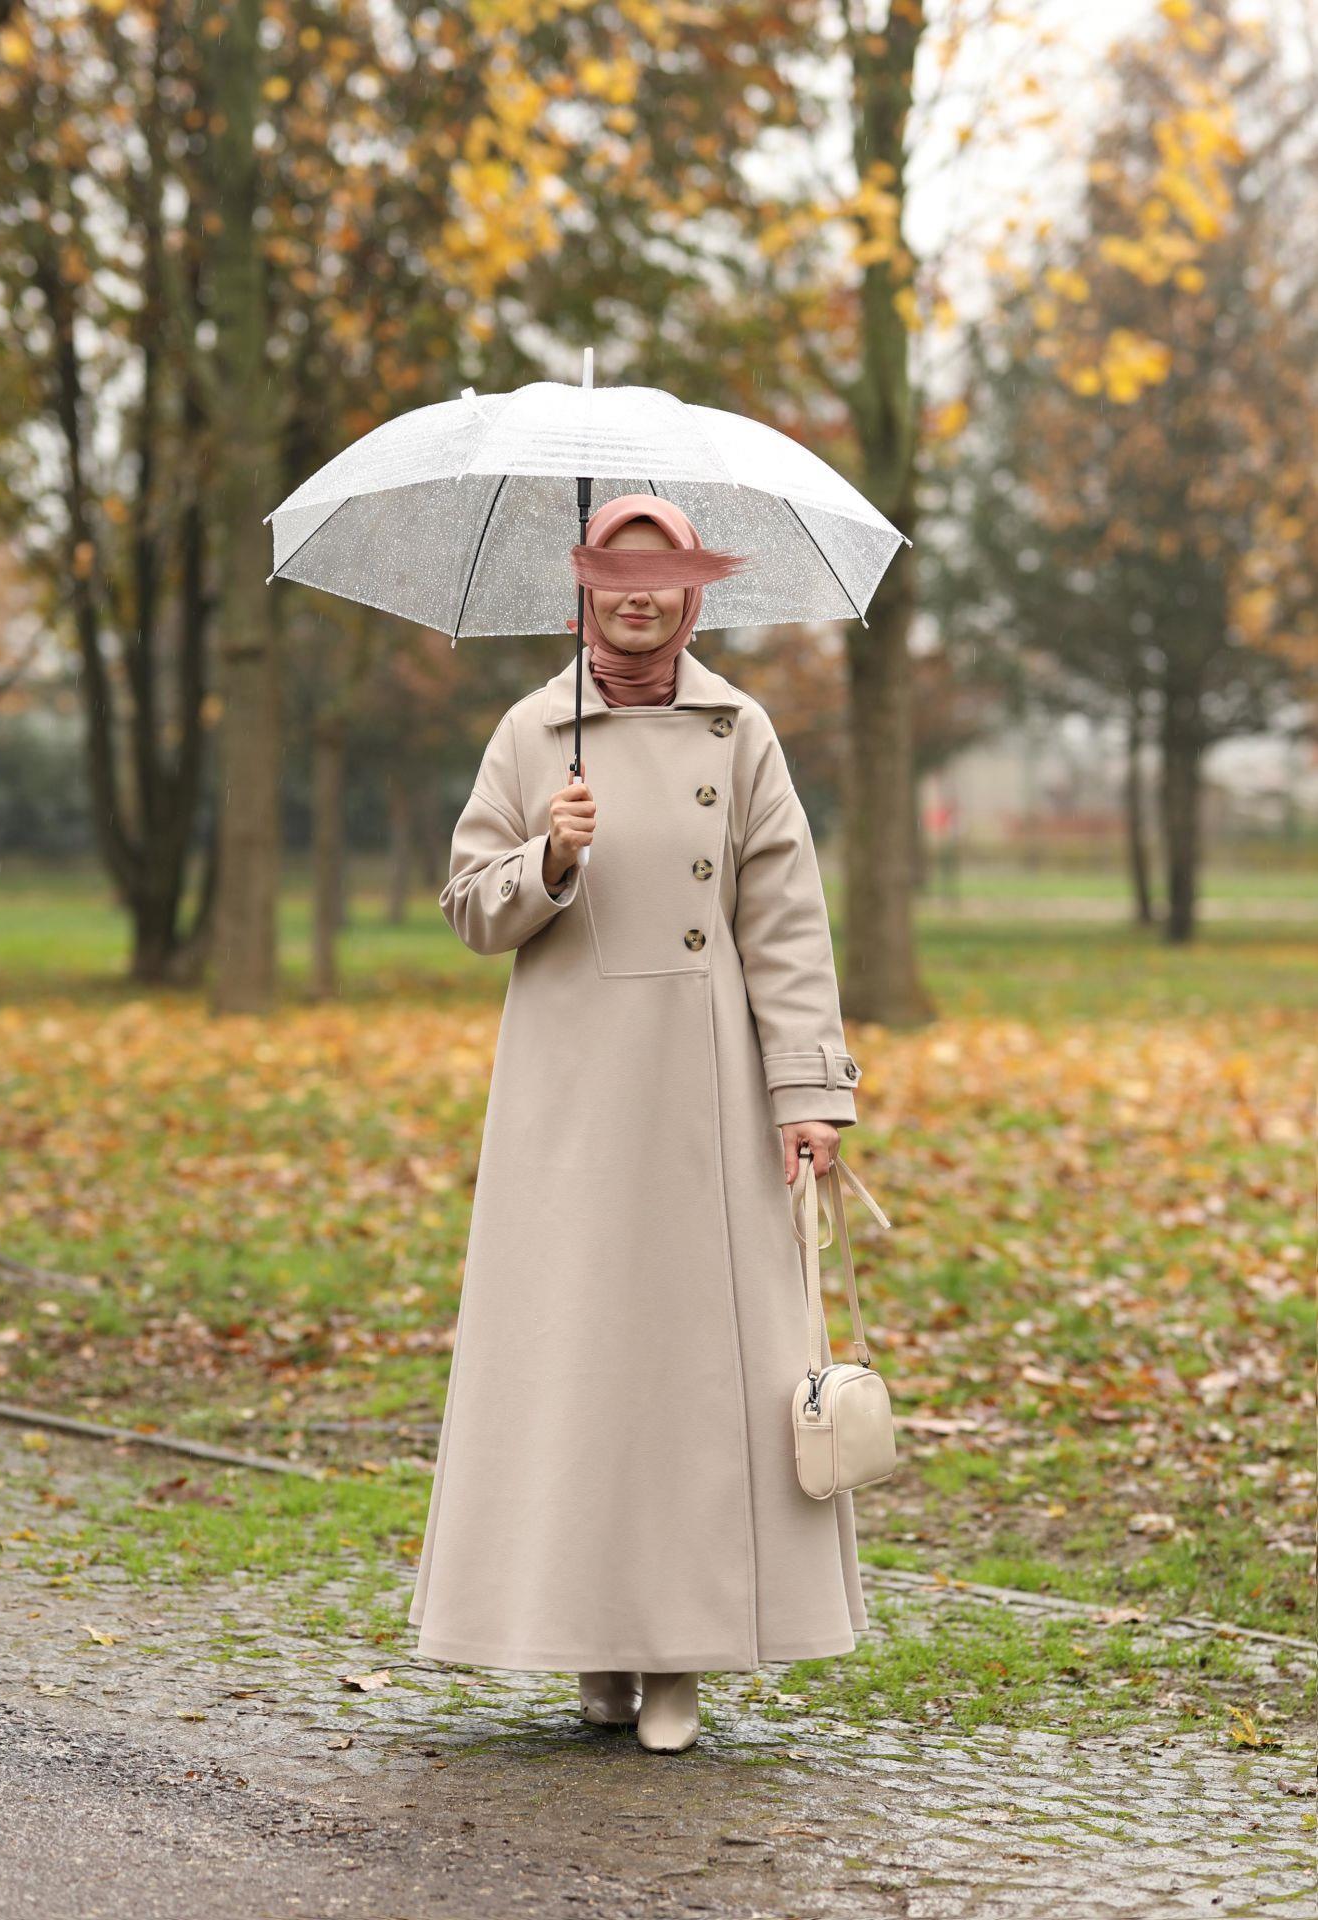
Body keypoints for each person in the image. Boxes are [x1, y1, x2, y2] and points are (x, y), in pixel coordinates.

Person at [408, 493, 871, 1754]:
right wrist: (546, 863)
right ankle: (590, 1646)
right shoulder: (526, 733)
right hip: (566, 1101)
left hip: (706, 1090)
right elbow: (465, 908)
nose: (635, 597)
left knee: (692, 1372)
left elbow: (781, 922)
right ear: (581, 589)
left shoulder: (740, 730)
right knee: (579, 1364)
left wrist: (807, 1093)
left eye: (659, 579)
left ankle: (680, 1660)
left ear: (693, 595)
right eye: (612, 575)